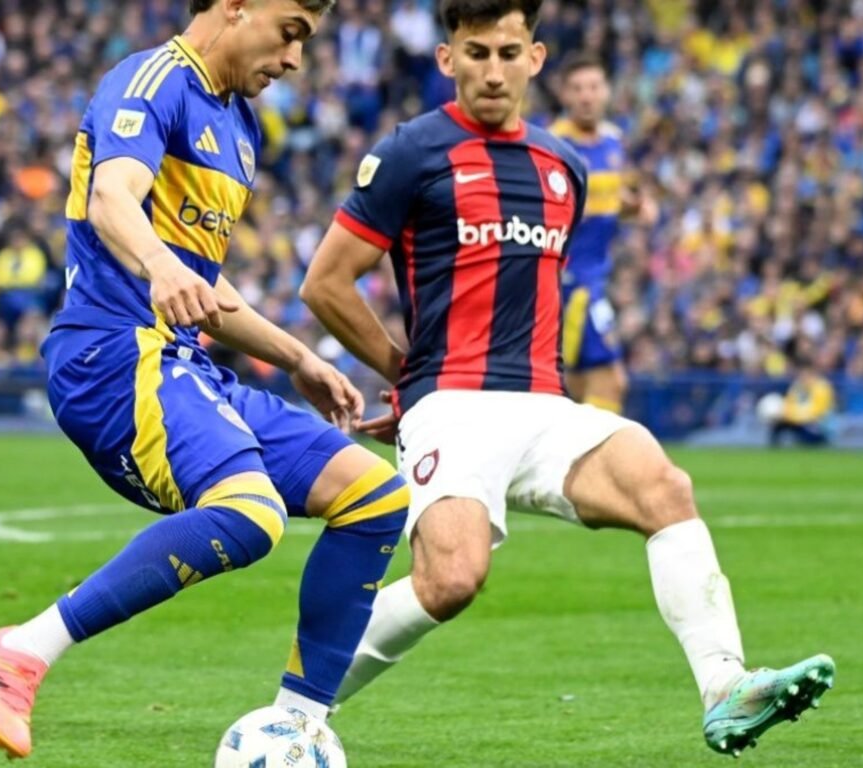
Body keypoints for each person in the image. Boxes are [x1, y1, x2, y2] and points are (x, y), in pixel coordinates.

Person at [299, 0, 834, 757]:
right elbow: (325, 283)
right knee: (451, 579)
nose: (493, 70)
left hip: (546, 406)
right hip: (452, 404)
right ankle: (294, 705)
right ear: (447, 60)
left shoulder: (563, 168)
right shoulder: (412, 152)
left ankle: (725, 687)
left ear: (535, 57)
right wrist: (405, 376)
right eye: (476, 53)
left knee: (665, 487)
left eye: (507, 52)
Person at [0, 0, 407, 760]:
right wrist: (159, 265)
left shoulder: (240, 126)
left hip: (181, 359)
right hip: (112, 354)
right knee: (250, 514)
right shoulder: (153, 80)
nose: (295, 59)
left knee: (375, 497)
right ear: (235, 6)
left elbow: (201, 284)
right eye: (290, 32)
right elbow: (112, 198)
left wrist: (297, 358)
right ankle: (22, 652)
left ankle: (296, 727)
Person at [550, 51, 655, 413]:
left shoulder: (613, 141)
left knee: (576, 387)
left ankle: (567, 449)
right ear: (564, 94)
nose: (586, 96)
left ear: (607, 91)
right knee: (609, 382)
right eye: (577, 88)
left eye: (593, 87)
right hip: (569, 282)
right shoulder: (553, 146)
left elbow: (610, 198)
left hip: (596, 278)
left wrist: (633, 207)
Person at [768, 360, 836, 447]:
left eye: (806, 375)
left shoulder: (822, 388)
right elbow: (789, 403)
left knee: (809, 434)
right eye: (802, 375)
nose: (803, 377)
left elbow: (818, 411)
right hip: (797, 420)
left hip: (816, 423)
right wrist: (788, 415)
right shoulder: (798, 386)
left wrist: (797, 416)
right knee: (778, 425)